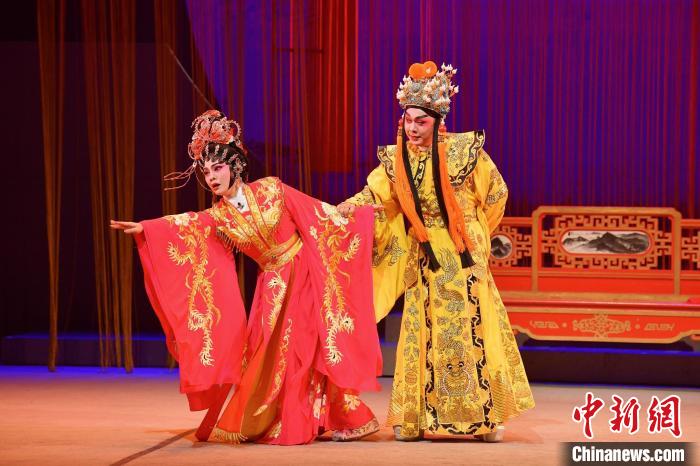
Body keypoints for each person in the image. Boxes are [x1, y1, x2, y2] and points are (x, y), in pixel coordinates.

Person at [111, 110, 381, 445]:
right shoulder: (219, 217)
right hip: (272, 286)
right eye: (206, 172)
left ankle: (345, 416)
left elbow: (316, 212)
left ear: (235, 165)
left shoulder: (271, 189)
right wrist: (147, 229)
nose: (211, 177)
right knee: (269, 354)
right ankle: (297, 416)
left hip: (303, 274)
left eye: (217, 168)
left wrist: (355, 214)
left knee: (305, 346)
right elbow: (187, 224)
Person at [337, 61, 535, 442]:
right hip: (425, 254)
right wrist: (349, 207)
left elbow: (497, 194)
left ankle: (486, 419)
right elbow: (376, 196)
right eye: (408, 120)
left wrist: (474, 231)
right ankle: (416, 417)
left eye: (421, 122)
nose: (412, 128)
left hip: (463, 255)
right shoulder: (398, 159)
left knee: (473, 331)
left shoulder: (465, 152)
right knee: (422, 332)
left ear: (438, 121)